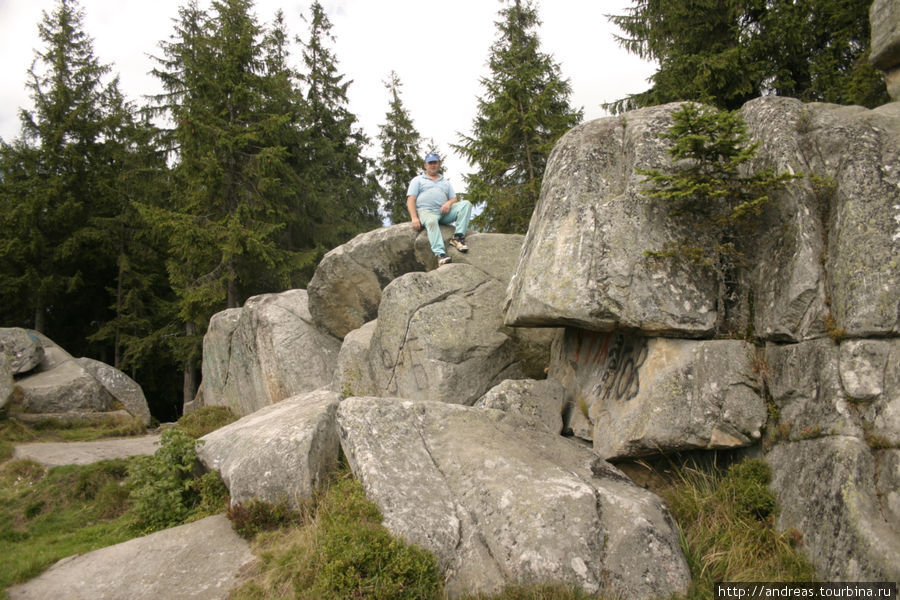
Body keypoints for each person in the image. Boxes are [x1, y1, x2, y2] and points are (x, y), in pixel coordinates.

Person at [407, 152, 472, 266]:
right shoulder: (417, 180)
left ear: (439, 164)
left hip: (444, 213)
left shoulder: (445, 182)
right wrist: (414, 218)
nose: (433, 165)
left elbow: (453, 199)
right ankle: (441, 254)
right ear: (425, 165)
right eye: (430, 163)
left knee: (466, 204)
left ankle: (458, 238)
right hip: (427, 212)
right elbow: (411, 200)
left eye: (435, 163)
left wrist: (448, 203)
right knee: (431, 221)